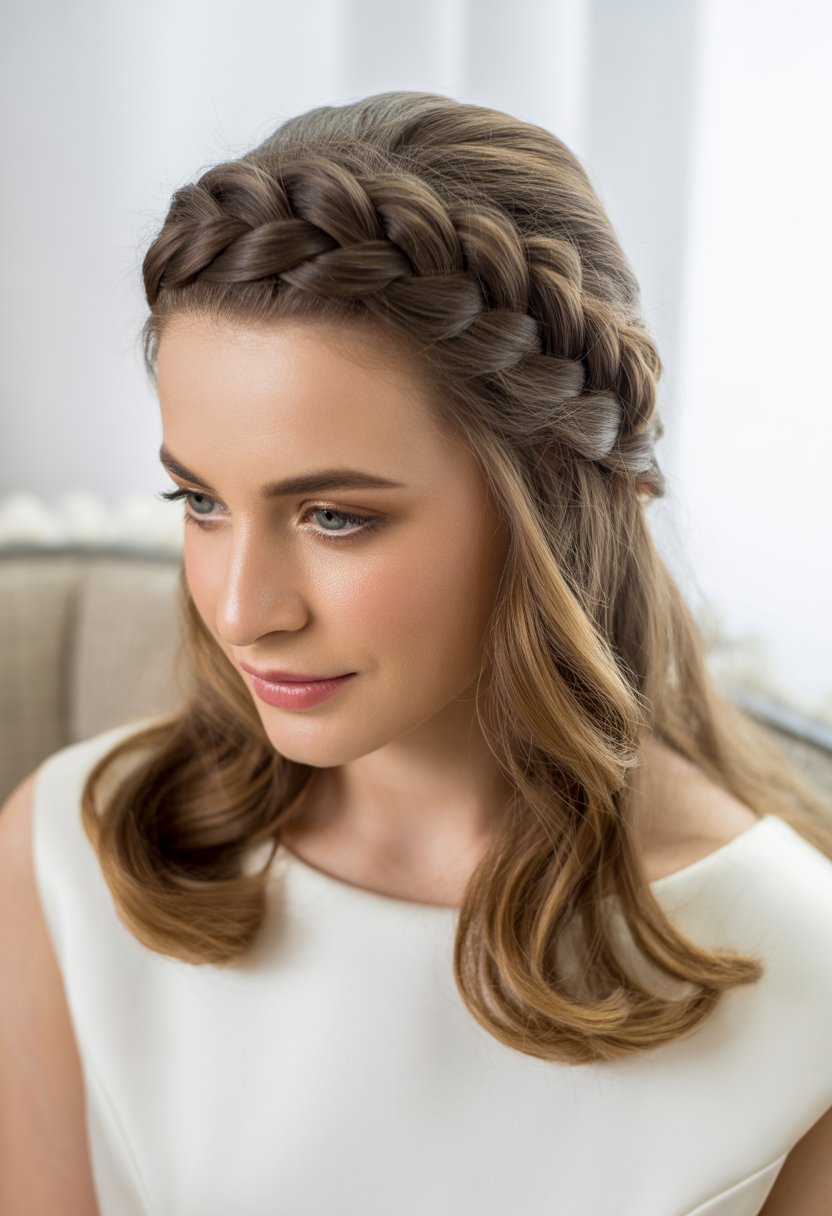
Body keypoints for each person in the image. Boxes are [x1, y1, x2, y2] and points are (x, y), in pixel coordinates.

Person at [1, 91, 831, 1216]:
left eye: (334, 515)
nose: (242, 607)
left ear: (544, 490)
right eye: (198, 498)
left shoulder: (800, 985)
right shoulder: (70, 852)